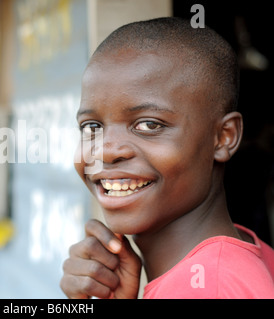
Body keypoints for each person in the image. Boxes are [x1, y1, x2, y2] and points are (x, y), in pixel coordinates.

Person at [60, 17, 274, 299]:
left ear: (223, 136)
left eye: (149, 125)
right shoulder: (239, 256)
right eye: (92, 127)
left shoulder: (210, 287)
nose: (105, 151)